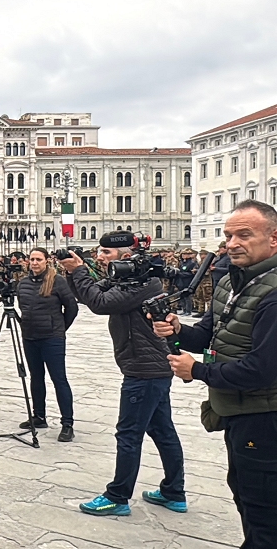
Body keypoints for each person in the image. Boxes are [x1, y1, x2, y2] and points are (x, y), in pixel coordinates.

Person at [151, 201, 277, 548]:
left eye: (244, 235)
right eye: (229, 236)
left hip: (265, 416)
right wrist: (176, 330)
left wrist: (199, 371)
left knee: (264, 507)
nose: (232, 243)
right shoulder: (230, 282)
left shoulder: (273, 292)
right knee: (244, 493)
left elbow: (262, 370)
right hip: (236, 410)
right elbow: (208, 333)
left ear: (274, 239)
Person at [59, 232, 185, 517]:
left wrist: (79, 270)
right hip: (149, 366)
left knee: (129, 433)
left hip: (144, 368)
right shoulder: (126, 278)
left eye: (106, 252)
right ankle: (173, 492)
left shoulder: (143, 283)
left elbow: (101, 304)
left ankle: (118, 496)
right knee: (162, 429)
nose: (101, 257)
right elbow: (90, 294)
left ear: (126, 256)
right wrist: (74, 270)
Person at [16, 248, 79, 442]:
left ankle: (67, 423)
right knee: (36, 377)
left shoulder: (57, 281)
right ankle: (39, 416)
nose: (35, 263)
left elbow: (72, 308)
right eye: (32, 259)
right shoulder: (23, 283)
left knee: (59, 379)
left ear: (46, 261)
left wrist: (59, 328)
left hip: (52, 338)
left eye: (38, 259)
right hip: (30, 337)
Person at [175, 249, 199, 316]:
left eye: (186, 254)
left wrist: (180, 274)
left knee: (187, 297)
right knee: (182, 296)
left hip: (188, 281)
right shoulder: (182, 263)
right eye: (183, 254)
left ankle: (188, 311)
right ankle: (184, 309)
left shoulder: (192, 263)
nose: (184, 256)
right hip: (181, 282)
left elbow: (192, 273)